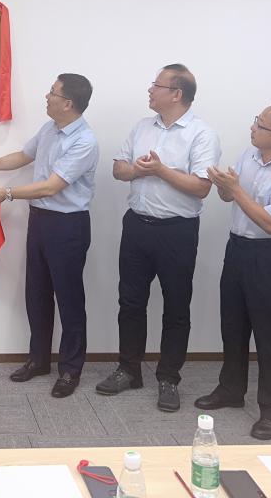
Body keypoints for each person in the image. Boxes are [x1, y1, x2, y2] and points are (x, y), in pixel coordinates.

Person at [96, 64, 220, 412]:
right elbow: (118, 169)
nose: (150, 90)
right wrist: (140, 169)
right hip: (137, 225)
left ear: (176, 94)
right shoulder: (142, 127)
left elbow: (201, 187)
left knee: (176, 306)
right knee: (130, 301)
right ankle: (128, 370)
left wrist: (161, 170)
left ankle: (169, 378)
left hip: (177, 232)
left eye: (156, 85)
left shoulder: (202, 134)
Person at [0, 73, 99, 398]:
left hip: (68, 226)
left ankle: (70, 369)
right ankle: (39, 359)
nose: (47, 96)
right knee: (37, 293)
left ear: (68, 103)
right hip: (40, 221)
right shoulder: (50, 129)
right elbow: (24, 155)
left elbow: (51, 187)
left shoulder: (84, 141)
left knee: (69, 299)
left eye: (52, 92)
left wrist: (7, 193)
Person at [196, 101, 271, 440]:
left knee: (269, 334)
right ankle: (231, 389)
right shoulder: (250, 155)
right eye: (256, 121)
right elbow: (228, 198)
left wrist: (236, 190)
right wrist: (223, 185)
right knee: (233, 325)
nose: (252, 128)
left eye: (260, 124)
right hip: (238, 249)